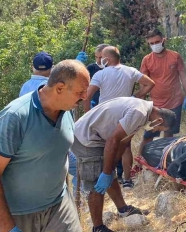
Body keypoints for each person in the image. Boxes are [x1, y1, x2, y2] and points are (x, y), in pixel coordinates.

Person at [0, 60, 89, 232]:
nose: (85, 97)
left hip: (58, 209)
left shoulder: (67, 110)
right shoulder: (15, 117)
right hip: (15, 215)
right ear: (59, 88)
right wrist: (8, 228)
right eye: (80, 92)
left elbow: (59, 157)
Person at [72, 97, 177, 232]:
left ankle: (123, 209)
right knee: (97, 180)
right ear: (160, 120)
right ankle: (98, 227)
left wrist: (111, 168)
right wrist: (105, 172)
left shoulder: (144, 113)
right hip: (85, 138)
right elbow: (113, 140)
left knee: (109, 172)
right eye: (160, 129)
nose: (156, 130)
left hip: (96, 137)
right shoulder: (139, 112)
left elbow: (123, 142)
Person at [83, 46, 155, 189]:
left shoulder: (100, 75)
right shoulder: (130, 71)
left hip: (107, 114)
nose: (99, 60)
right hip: (126, 112)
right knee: (125, 146)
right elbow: (150, 84)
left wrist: (89, 114)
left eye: (101, 57)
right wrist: (136, 96)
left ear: (107, 59)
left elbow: (87, 95)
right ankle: (127, 180)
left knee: (105, 147)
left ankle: (108, 177)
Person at [139, 29, 186, 153]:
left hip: (175, 103)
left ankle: (163, 162)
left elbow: (183, 75)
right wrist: (141, 104)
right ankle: (140, 162)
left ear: (163, 40)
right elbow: (143, 83)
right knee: (148, 136)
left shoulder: (175, 56)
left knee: (168, 136)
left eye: (157, 41)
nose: (154, 45)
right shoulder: (146, 60)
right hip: (155, 106)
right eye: (151, 43)